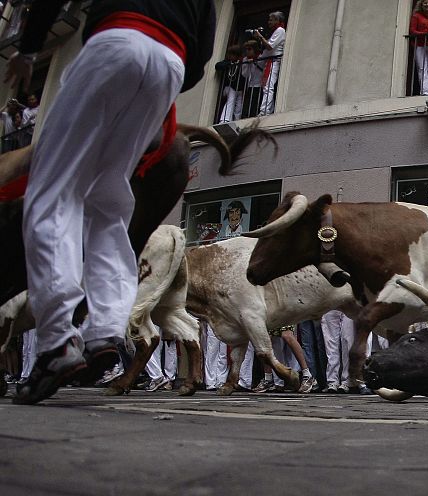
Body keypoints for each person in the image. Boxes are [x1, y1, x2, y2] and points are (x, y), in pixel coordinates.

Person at [8, 1, 216, 405]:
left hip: (115, 41)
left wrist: (29, 49)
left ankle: (55, 341)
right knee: (109, 204)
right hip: (169, 66)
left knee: (53, 193)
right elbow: (202, 55)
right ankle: (104, 327)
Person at [254, 11, 286, 116]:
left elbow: (270, 46)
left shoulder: (280, 30)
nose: (269, 22)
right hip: (270, 62)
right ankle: (268, 109)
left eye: (271, 20)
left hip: (274, 62)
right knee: (266, 86)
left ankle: (264, 111)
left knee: (268, 86)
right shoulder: (275, 31)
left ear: (277, 20)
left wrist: (260, 37)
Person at [214, 44, 244, 124]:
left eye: (232, 54)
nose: (230, 56)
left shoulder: (242, 63)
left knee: (239, 106)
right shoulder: (227, 62)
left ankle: (237, 122)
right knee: (231, 98)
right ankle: (224, 120)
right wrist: (228, 64)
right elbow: (217, 66)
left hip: (240, 89)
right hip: (229, 88)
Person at [240, 40, 264, 118]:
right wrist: (248, 64)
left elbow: (263, 68)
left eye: (249, 49)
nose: (247, 51)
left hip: (260, 85)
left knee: (256, 106)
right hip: (250, 86)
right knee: (247, 106)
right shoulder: (245, 59)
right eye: (246, 49)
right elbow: (245, 74)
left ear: (255, 49)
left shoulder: (261, 57)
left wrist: (254, 62)